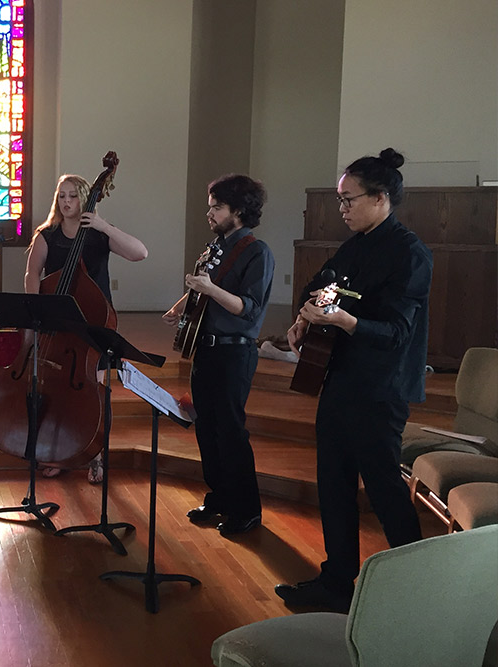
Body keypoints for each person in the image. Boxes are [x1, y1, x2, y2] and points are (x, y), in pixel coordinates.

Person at [276, 148, 430, 612]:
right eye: (339, 200)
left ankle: (419, 589)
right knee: (334, 484)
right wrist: (305, 317)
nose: (341, 208)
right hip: (340, 379)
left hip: (381, 389)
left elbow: (397, 332)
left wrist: (346, 321)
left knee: (384, 490)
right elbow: (319, 286)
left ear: (381, 198)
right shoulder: (355, 244)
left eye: (348, 199)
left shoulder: (409, 253)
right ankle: (338, 582)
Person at [162, 174, 274, 536]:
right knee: (206, 429)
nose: (209, 213)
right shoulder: (218, 246)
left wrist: (209, 288)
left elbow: (249, 309)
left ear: (239, 211)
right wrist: (182, 305)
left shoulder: (257, 252)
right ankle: (220, 498)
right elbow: (206, 289)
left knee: (230, 433)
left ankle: (246, 510)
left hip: (234, 354)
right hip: (205, 351)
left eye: (217, 207)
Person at [24, 174, 148, 482]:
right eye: (61, 196)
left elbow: (139, 253)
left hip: (93, 324)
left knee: (92, 394)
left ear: (85, 199)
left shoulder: (97, 235)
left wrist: (105, 226)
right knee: (56, 392)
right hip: (58, 324)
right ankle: (59, 454)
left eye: (73, 196)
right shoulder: (47, 235)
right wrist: (35, 307)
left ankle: (95, 455)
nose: (66, 202)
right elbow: (32, 273)